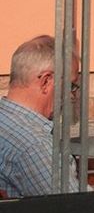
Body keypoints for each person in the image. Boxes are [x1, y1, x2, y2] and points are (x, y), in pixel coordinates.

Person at [0, 36, 68, 198]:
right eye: (70, 85)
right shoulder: (35, 145)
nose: (72, 95)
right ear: (45, 82)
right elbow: (72, 211)